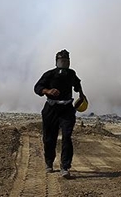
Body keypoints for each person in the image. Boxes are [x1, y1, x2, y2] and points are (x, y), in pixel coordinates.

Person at [34, 49, 86, 178]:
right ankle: (49, 163)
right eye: (62, 61)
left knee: (67, 136)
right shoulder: (49, 74)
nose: (64, 63)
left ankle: (65, 167)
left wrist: (81, 96)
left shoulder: (71, 74)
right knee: (49, 137)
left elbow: (78, 85)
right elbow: (37, 88)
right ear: (56, 62)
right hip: (51, 108)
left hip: (67, 108)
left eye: (66, 61)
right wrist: (47, 91)